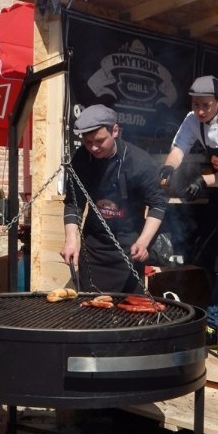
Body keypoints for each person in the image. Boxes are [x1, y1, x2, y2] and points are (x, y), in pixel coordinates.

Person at [159, 75, 218, 344]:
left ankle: (214, 323)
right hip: (217, 193)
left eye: (206, 105)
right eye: (195, 104)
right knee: (205, 255)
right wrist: (168, 167)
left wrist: (202, 181)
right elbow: (179, 148)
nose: (200, 111)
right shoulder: (192, 120)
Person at [61, 104, 167, 293]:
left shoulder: (140, 162)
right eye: (87, 142)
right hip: (93, 249)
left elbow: (158, 205)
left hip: (129, 248)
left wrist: (143, 242)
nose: (93, 147)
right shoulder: (82, 159)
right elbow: (73, 204)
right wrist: (71, 240)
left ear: (115, 131)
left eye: (100, 141)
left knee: (129, 313)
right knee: (88, 311)